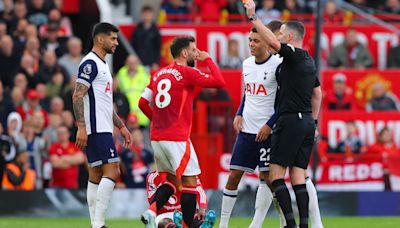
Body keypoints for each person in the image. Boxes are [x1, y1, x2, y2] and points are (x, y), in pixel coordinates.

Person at [244, 1, 322, 227]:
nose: (277, 37)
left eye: (281, 34)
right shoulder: (307, 61)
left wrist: (253, 17)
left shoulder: (294, 55)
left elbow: (270, 41)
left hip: (290, 120)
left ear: (289, 38)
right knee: (298, 176)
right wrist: (314, 122)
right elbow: (318, 94)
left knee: (275, 176)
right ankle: (305, 224)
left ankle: (289, 223)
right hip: (306, 121)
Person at [138, 36, 225, 228]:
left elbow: (142, 103)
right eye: (194, 50)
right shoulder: (187, 72)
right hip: (177, 137)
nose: (197, 53)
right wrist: (208, 59)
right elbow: (219, 82)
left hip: (157, 137)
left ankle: (151, 212)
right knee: (190, 183)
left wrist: (158, 121)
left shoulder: (158, 74)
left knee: (169, 181)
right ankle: (192, 225)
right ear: (184, 53)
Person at [219, 21, 283, 228]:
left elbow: (283, 102)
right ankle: (224, 224)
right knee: (234, 176)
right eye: (250, 41)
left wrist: (269, 125)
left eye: (256, 41)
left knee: (271, 180)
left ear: (266, 43)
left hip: (267, 133)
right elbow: (248, 93)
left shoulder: (278, 66)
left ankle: (284, 221)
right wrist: (239, 113)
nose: (251, 44)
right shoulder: (246, 64)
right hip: (246, 132)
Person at [72, 22, 132, 228]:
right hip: (96, 128)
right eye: (113, 38)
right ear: (100, 39)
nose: (116, 43)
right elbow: (77, 95)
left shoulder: (103, 64)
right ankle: (98, 224)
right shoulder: (90, 63)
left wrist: (121, 126)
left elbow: (105, 103)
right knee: (113, 170)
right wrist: (81, 126)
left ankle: (95, 224)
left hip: (103, 126)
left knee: (96, 174)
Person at [146, 171, 215, 228]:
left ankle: (202, 225)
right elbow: (152, 201)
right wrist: (169, 182)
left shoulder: (189, 176)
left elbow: (200, 191)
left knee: (197, 216)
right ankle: (175, 226)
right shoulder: (153, 177)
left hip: (183, 212)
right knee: (164, 222)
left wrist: (202, 207)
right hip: (164, 214)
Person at [130, 5, 161, 70]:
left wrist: (156, 62)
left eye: (148, 14)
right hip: (139, 62)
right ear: (141, 15)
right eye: (145, 14)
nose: (146, 16)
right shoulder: (137, 30)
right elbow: (132, 46)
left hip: (151, 62)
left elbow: (158, 48)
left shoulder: (155, 30)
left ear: (152, 15)